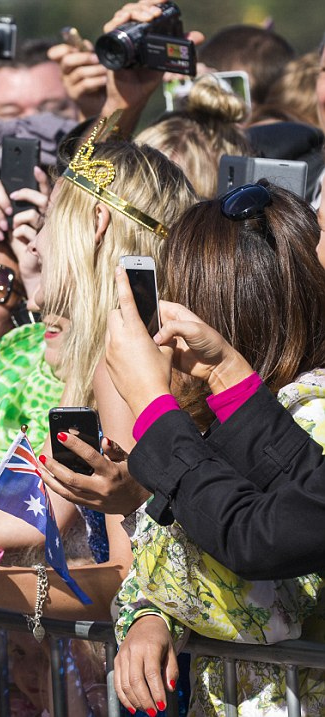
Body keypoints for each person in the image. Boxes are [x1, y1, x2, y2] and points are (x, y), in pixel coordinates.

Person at [105, 182, 325, 715]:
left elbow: (257, 579)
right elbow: (170, 562)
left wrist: (153, 407)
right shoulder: (246, 417)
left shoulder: (315, 407)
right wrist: (149, 617)